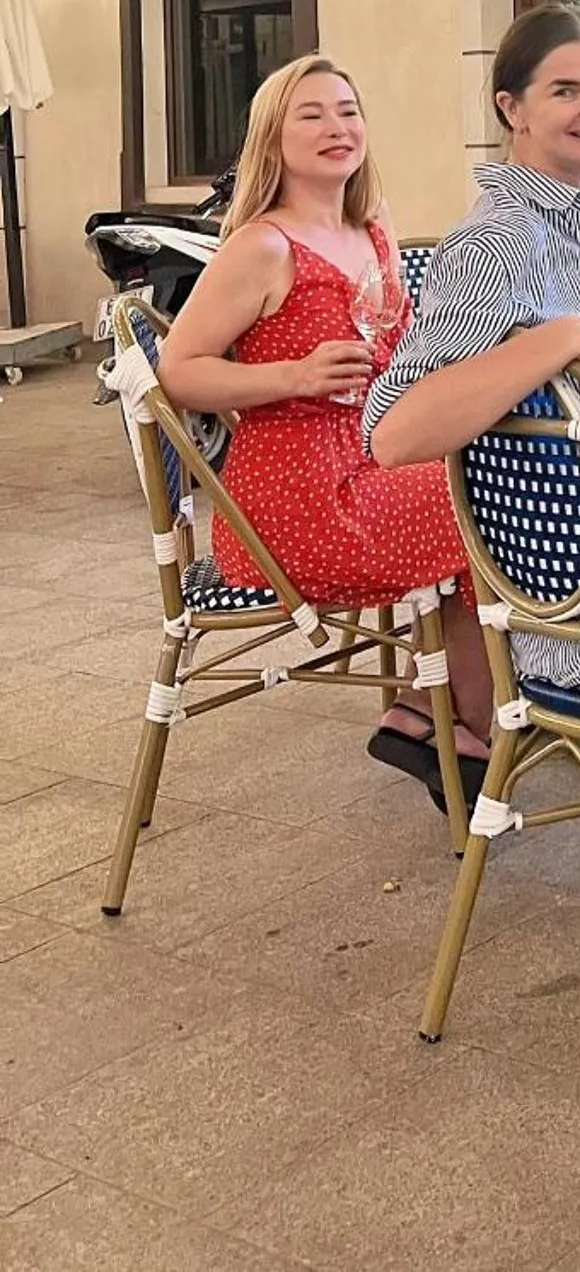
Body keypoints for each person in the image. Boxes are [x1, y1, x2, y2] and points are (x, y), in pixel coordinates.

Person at [157, 55, 492, 799]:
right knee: (479, 507)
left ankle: (435, 708)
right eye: (311, 114)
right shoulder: (263, 245)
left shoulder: (371, 230)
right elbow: (178, 369)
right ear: (273, 139)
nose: (337, 127)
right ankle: (472, 719)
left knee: (497, 478)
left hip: (375, 457)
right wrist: (294, 376)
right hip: (293, 497)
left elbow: (402, 353)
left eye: (348, 109)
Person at [365, 2, 580, 706]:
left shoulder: (568, 224)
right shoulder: (498, 244)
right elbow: (395, 430)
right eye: (567, 90)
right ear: (511, 108)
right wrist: (567, 338)